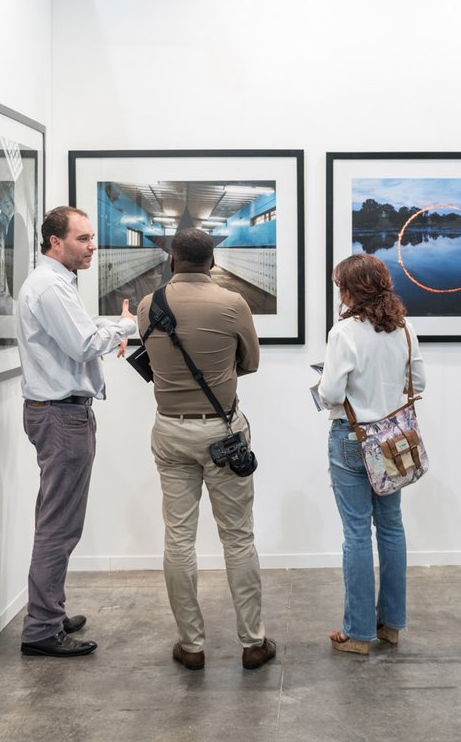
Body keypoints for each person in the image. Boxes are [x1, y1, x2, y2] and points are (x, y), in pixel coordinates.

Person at [137, 228, 275, 671]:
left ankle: (191, 645)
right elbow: (251, 363)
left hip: (170, 431)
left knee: (178, 538)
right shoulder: (233, 304)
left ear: (172, 260)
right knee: (238, 538)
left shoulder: (147, 305)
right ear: (212, 262)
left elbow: (152, 361)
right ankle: (253, 642)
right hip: (222, 432)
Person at [15, 206, 136, 657]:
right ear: (55, 241)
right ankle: (43, 628)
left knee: (57, 519)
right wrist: (125, 325)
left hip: (58, 412)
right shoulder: (50, 287)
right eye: (83, 238)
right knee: (59, 526)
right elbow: (84, 343)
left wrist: (111, 327)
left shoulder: (55, 283)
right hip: (61, 416)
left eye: (91, 237)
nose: (92, 246)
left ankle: (49, 609)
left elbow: (80, 333)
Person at [317, 253, 425, 655]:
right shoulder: (405, 328)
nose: (338, 293)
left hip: (352, 437)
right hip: (394, 438)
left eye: (339, 285)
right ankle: (391, 625)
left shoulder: (344, 332)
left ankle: (358, 633)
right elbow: (419, 382)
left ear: (351, 289)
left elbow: (329, 394)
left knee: (357, 533)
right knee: (392, 528)